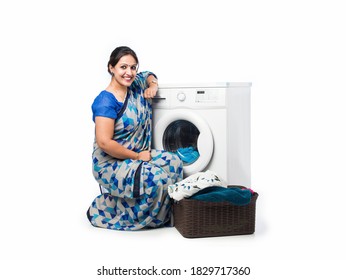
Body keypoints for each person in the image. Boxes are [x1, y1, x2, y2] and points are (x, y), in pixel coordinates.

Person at [86, 46, 183, 230]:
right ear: (111, 68)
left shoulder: (136, 83)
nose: (129, 73)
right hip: (111, 163)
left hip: (137, 155)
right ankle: (105, 208)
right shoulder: (106, 101)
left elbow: (148, 74)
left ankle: (162, 217)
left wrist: (153, 85)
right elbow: (104, 142)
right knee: (157, 179)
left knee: (174, 162)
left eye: (133, 67)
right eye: (123, 67)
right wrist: (137, 157)